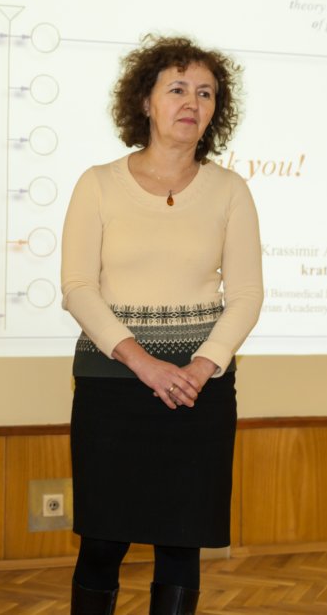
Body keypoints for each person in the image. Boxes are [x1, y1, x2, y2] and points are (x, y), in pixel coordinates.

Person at [60, 35, 263, 615]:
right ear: (145, 102)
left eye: (205, 93)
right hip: (113, 387)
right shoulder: (98, 183)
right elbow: (77, 287)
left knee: (181, 541)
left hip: (199, 391)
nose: (191, 103)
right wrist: (145, 364)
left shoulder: (230, 190)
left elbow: (246, 295)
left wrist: (202, 366)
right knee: (103, 542)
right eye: (177, 89)